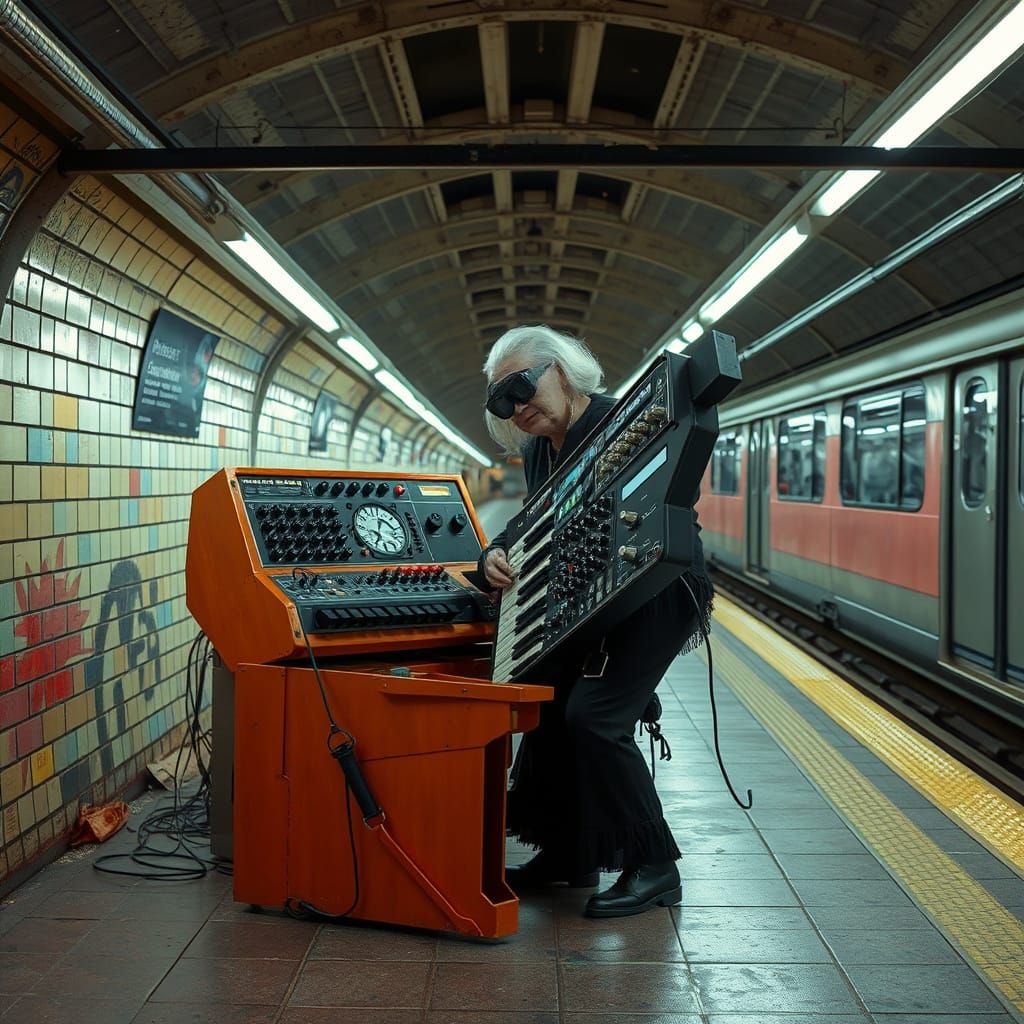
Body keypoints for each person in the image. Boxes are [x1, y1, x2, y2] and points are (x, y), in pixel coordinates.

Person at [478, 324, 714, 918]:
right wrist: (496, 551)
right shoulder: (539, 449)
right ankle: (569, 854)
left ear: (561, 371)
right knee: (551, 704)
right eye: (502, 401)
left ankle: (655, 866)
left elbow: (648, 508)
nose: (517, 409)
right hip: (591, 595)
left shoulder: (627, 420)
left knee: (597, 718)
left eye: (521, 388)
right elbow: (534, 519)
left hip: (659, 588)